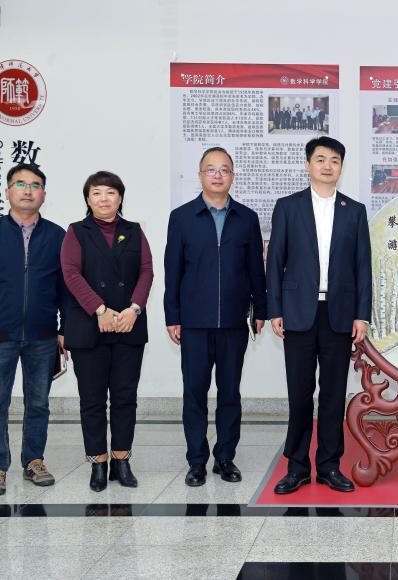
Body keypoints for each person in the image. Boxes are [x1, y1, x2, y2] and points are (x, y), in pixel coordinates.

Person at [267, 136, 372, 494]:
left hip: (338, 314)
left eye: (335, 160)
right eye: (321, 159)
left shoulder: (354, 211)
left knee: (333, 394)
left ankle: (329, 465)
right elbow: (274, 262)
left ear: (341, 167)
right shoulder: (288, 207)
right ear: (308, 164)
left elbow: (363, 267)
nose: (328, 166)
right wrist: (275, 308)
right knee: (300, 394)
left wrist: (362, 315)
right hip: (297, 312)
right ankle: (297, 467)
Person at [0, 163, 66, 496]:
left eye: (35, 185)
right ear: (7, 192)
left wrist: (65, 329)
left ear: (44, 194)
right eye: (20, 184)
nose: (28, 190)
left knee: (39, 403)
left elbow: (66, 289)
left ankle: (34, 460)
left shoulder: (57, 236)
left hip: (42, 336)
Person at [164, 147, 267, 487]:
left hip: (234, 322)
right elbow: (172, 271)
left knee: (229, 393)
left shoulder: (247, 218)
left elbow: (256, 269)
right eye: (211, 169)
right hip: (194, 322)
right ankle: (196, 461)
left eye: (224, 169)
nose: (218, 175)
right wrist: (172, 315)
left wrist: (261, 310)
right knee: (194, 392)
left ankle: (225, 457)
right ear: (200, 175)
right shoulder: (182, 218)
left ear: (232, 176)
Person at [62, 171, 153, 491]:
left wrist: (134, 309)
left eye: (110, 192)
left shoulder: (134, 230)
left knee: (125, 398)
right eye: (97, 193)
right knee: (93, 399)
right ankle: (98, 463)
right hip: (89, 326)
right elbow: (71, 274)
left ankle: (121, 460)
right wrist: (99, 309)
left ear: (120, 198)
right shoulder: (76, 232)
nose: (104, 198)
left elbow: (146, 271)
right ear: (88, 199)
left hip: (128, 325)